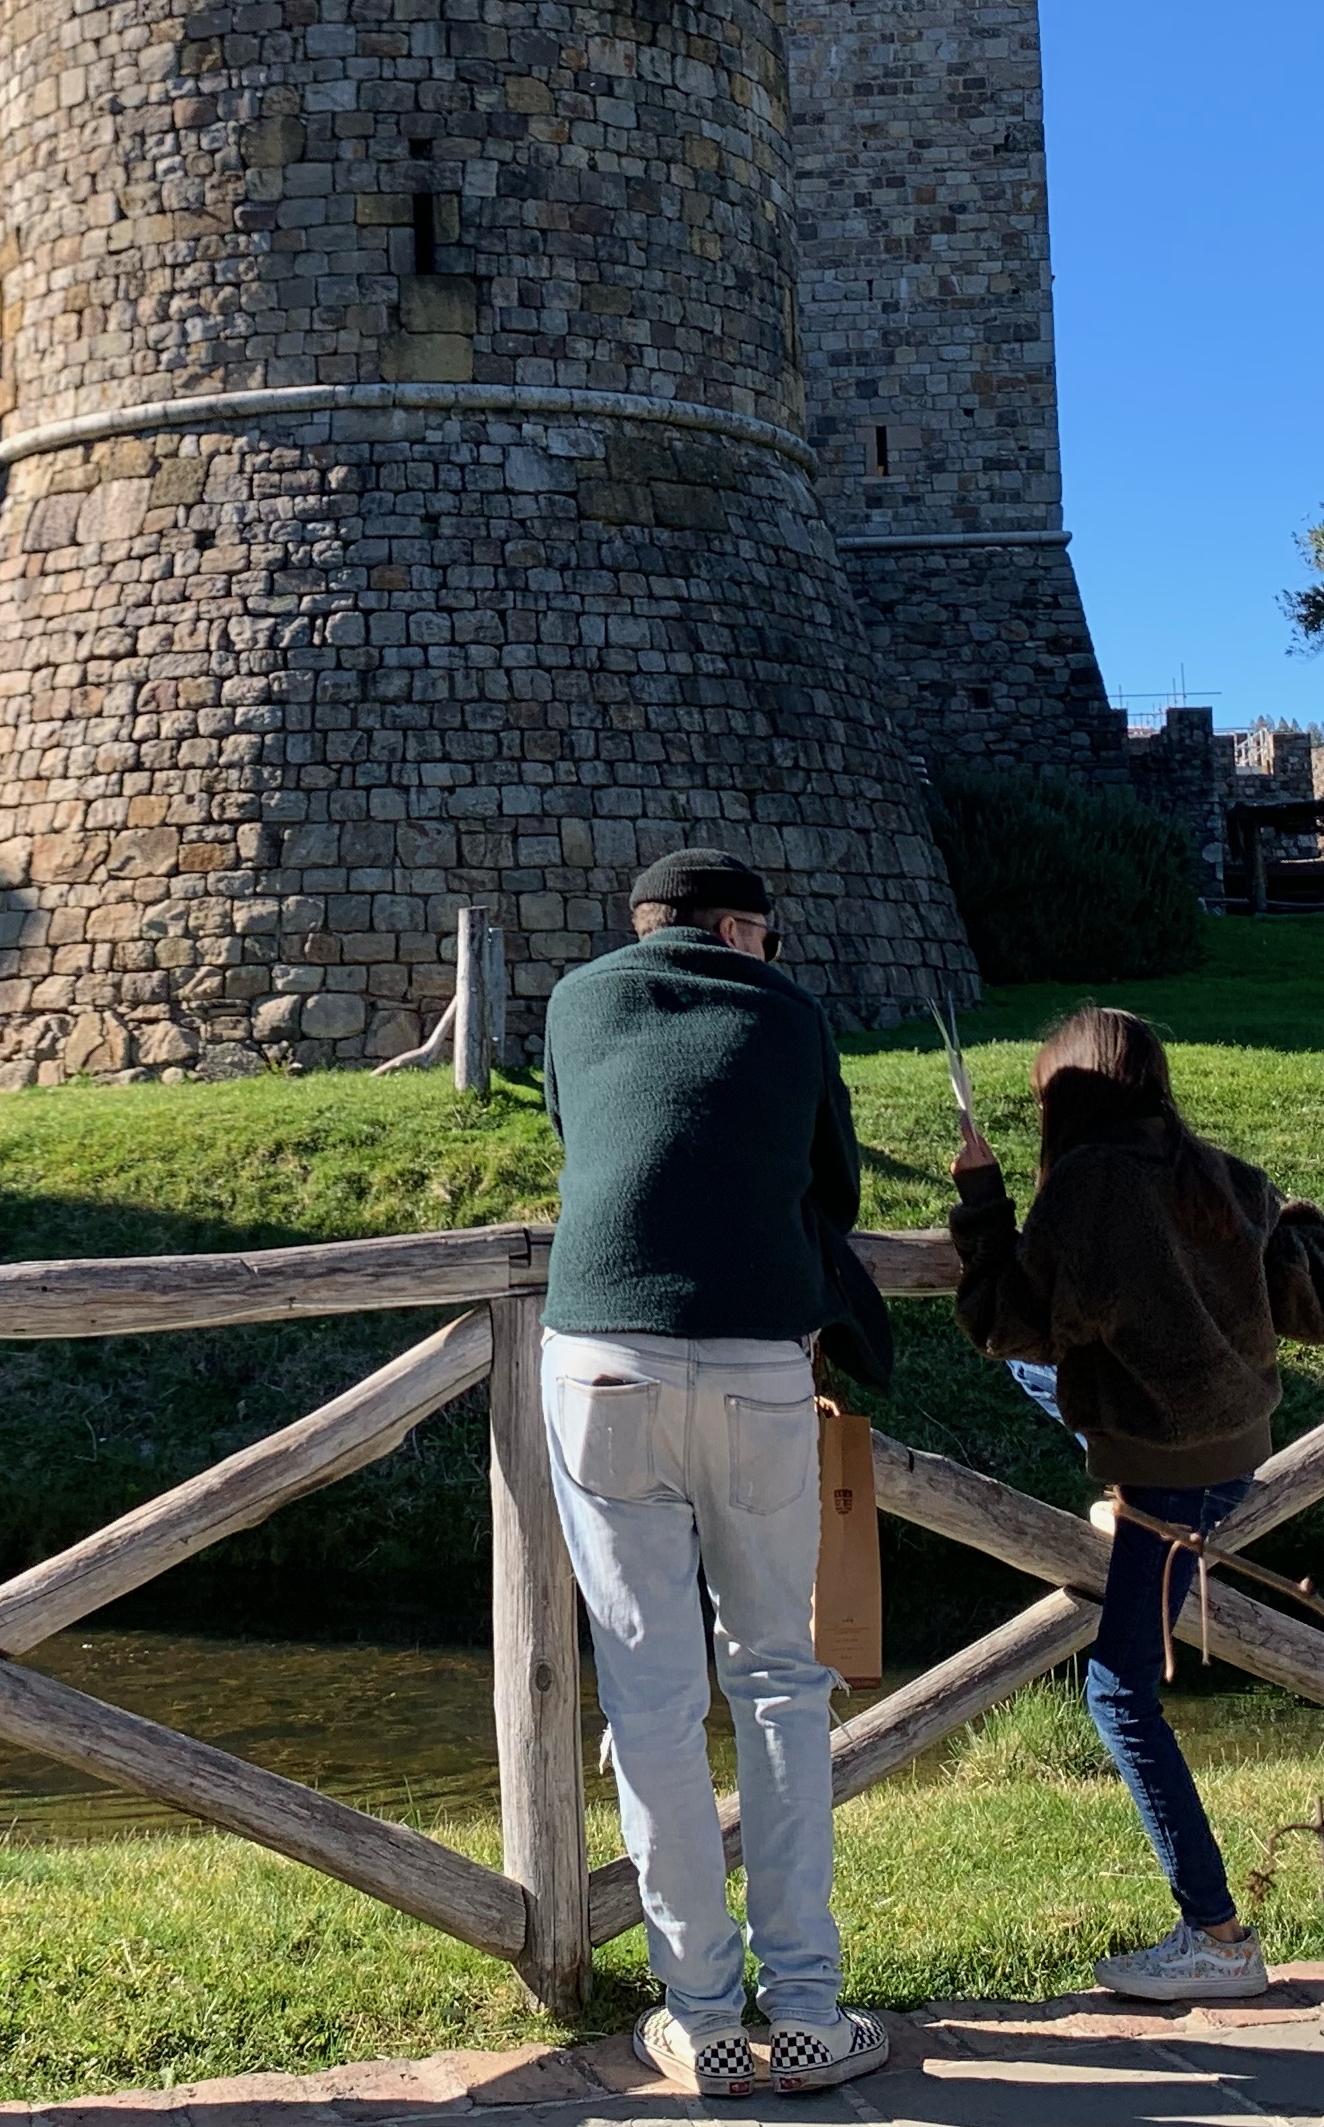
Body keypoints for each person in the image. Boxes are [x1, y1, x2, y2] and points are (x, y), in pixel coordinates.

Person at [540, 849, 891, 2099]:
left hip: (601, 1362)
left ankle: (699, 2015)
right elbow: (834, 1186)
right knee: (781, 1684)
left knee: (649, 1703)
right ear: (744, 932)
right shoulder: (788, 1011)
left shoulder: (578, 1000)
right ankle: (804, 2008)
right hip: (754, 1362)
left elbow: (578, 1139)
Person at [946, 1006, 1324, 2005]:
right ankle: (1120, 1498)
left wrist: (982, 1205)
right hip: (1231, 1455)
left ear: (1066, 1101)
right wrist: (1296, 1218)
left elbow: (1005, 1323)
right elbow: (1318, 1307)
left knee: (1120, 1694)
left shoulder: (1090, 1188)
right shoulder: (1221, 1175)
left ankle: (1216, 1936)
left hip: (1163, 1468)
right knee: (1072, 1390)